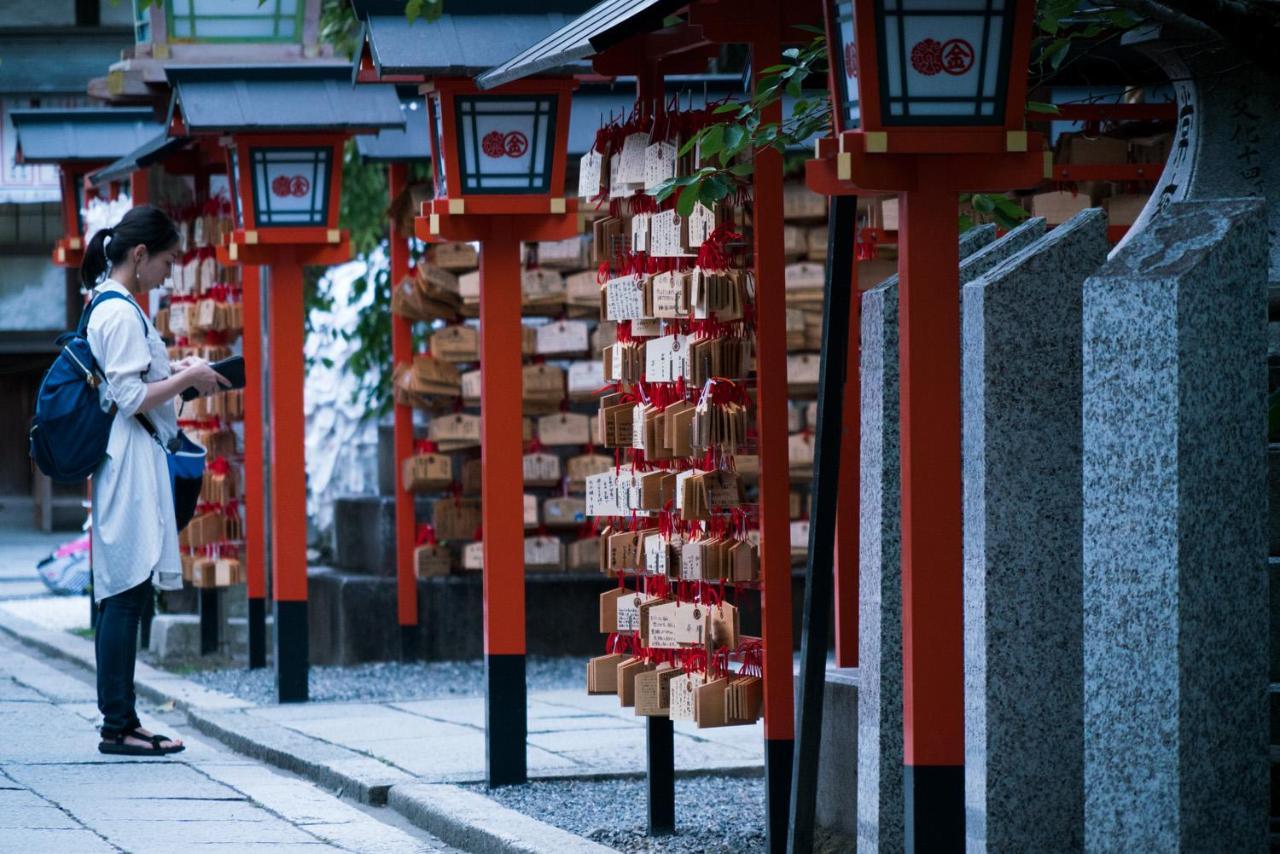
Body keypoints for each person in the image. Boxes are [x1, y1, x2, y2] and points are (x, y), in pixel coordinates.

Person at [81, 205, 229, 756]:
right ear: (140, 256)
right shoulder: (119, 313)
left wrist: (183, 377)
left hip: (129, 456)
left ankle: (124, 720)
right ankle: (117, 724)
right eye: (166, 261)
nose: (170, 272)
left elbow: (139, 388)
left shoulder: (114, 306)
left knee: (128, 589)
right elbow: (129, 397)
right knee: (124, 592)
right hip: (128, 461)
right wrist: (185, 377)